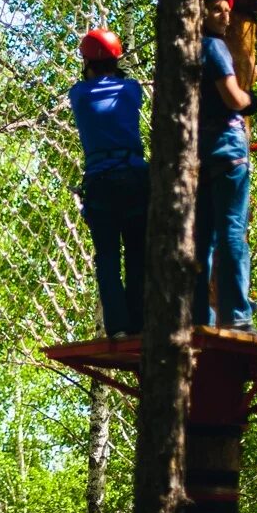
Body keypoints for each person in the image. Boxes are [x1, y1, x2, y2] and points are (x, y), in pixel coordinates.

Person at [69, 28, 149, 339]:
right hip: (134, 179)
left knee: (107, 258)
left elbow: (90, 82)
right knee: (137, 254)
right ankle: (140, 322)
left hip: (100, 182)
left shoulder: (78, 94)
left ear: (87, 63)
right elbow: (127, 85)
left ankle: (118, 326)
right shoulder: (130, 90)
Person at [193, 0, 257, 335]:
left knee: (203, 236)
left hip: (201, 151)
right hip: (228, 149)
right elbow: (234, 98)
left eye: (227, 9)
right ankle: (237, 314)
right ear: (200, 11)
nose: (226, 16)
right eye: (217, 8)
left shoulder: (185, 51)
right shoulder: (215, 47)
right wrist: (252, 100)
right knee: (233, 232)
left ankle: (198, 315)